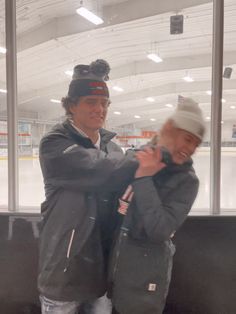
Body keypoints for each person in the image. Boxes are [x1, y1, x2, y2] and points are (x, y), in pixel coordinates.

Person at [38, 59, 139, 314]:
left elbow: (127, 191)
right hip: (64, 273)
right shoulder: (55, 143)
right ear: (71, 106)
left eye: (104, 103)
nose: (100, 109)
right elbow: (101, 170)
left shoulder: (113, 149)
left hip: (103, 272)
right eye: (91, 102)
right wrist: (142, 156)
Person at [109, 95, 206, 314]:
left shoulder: (186, 181)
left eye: (196, 143)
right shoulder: (141, 157)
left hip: (144, 282)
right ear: (170, 131)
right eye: (187, 139)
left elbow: (160, 230)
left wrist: (143, 179)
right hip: (115, 272)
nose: (191, 148)